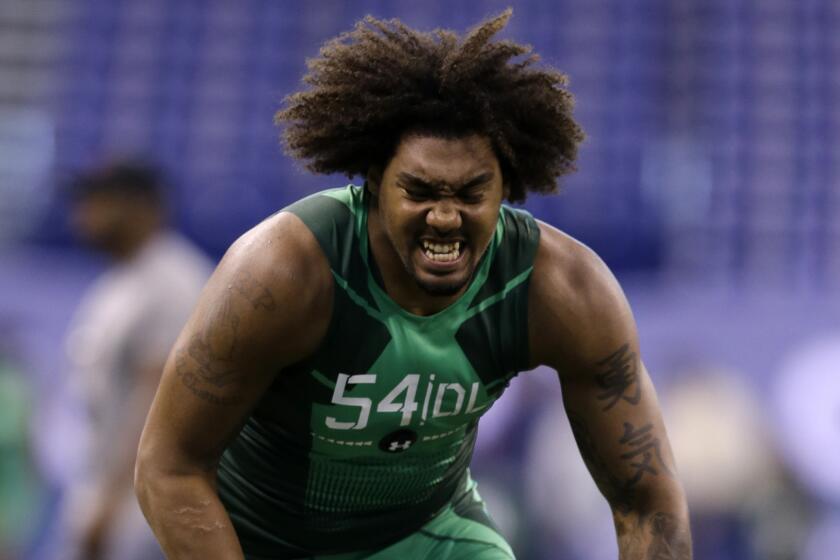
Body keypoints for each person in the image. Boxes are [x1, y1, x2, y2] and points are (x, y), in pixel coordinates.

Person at [135, 10, 691, 560]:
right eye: (420, 191)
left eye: (472, 193)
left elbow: (647, 504)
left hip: (428, 537)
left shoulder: (564, 291)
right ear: (375, 182)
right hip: (263, 543)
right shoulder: (284, 273)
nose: (445, 217)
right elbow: (169, 466)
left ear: (508, 187)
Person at [63, 161, 213, 560]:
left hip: (137, 498)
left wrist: (111, 501)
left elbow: (158, 399)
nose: (85, 213)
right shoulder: (121, 278)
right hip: (103, 479)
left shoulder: (173, 280)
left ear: (142, 206)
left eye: (99, 201)